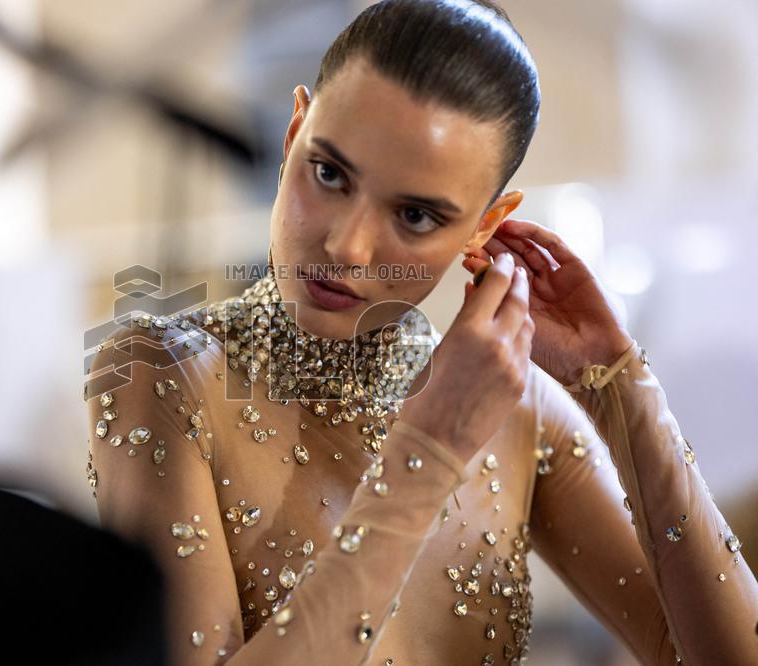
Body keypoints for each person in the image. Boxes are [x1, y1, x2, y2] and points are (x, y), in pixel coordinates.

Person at [84, 1, 758, 664]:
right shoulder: (160, 373)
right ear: (293, 136)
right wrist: (428, 453)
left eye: (414, 216)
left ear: (484, 227)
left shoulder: (518, 411)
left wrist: (622, 388)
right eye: (329, 174)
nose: (348, 247)